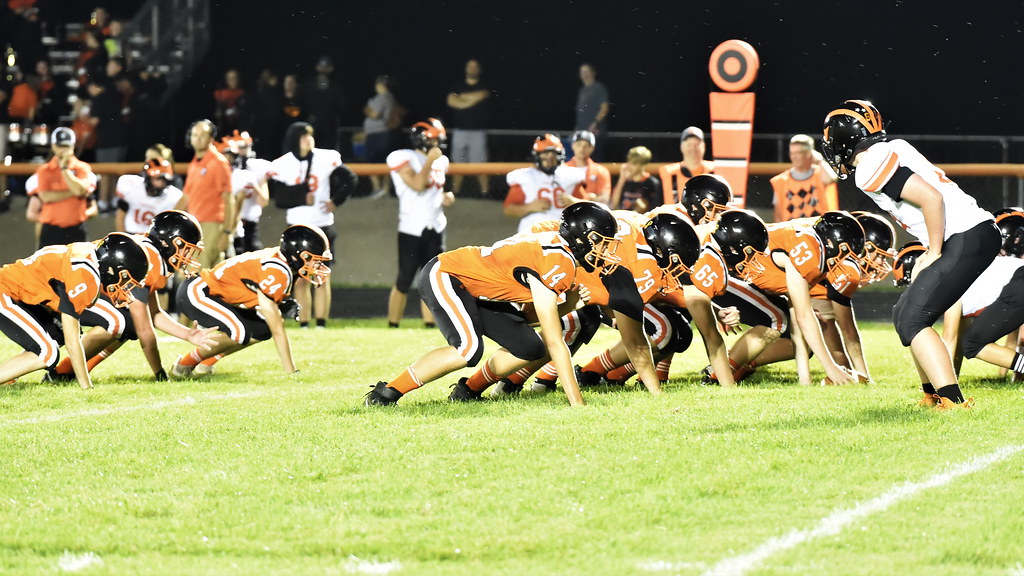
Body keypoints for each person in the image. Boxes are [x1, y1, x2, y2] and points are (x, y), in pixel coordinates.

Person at [822, 100, 1000, 409]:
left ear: (844, 138)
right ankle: (932, 394)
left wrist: (932, 251)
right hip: (971, 233)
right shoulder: (890, 148)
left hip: (967, 235)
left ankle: (952, 401)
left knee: (913, 318)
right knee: (904, 312)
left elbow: (931, 199)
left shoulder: (868, 167)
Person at [364, 202, 621, 407]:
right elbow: (555, 340)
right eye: (602, 242)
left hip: (479, 290)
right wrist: (576, 402)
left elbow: (533, 318)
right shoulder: (558, 262)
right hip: (449, 274)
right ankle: (386, 393)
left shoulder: (558, 254)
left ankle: (468, 390)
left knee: (529, 347)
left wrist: (569, 305)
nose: (607, 251)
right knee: (468, 350)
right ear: (581, 238)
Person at [44, 211, 215, 383]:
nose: (187, 256)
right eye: (185, 248)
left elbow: (154, 313)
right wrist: (160, 374)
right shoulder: (148, 259)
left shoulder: (153, 255)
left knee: (127, 321)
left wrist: (188, 334)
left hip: (76, 286)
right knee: (125, 321)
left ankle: (69, 371)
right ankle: (63, 372)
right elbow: (145, 331)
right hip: (62, 285)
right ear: (167, 242)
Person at [171, 224, 332, 377]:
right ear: (299, 255)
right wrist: (291, 372)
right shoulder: (278, 271)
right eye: (315, 260)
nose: (318, 265)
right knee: (241, 332)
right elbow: (278, 329)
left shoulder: (283, 262)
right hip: (198, 292)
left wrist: (280, 304)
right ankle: (184, 365)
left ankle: (206, 362)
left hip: (213, 294)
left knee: (261, 329)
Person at [0, 233, 147, 389]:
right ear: (112, 269)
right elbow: (73, 340)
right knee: (48, 353)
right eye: (124, 279)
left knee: (58, 332)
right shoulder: (86, 277)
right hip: (5, 292)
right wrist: (87, 387)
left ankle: (7, 374)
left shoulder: (91, 252)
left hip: (17, 292)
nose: (124, 287)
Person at [267, 122, 345, 329]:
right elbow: (280, 199)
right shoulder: (282, 164)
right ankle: (304, 322)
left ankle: (321, 323)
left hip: (322, 225)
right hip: (297, 227)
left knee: (322, 277)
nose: (308, 140)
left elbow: (349, 179)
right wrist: (302, 196)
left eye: (310, 136)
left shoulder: (326, 158)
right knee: (300, 279)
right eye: (303, 137)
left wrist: (335, 200)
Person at [386, 118, 454, 328]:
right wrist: (429, 161)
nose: (437, 145)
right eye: (434, 140)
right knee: (404, 280)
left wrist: (447, 197)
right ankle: (392, 324)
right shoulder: (403, 157)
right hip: (411, 227)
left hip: (436, 225)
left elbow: (437, 189)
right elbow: (417, 184)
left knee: (432, 279)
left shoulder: (441, 161)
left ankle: (430, 325)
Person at [175, 119, 234, 269]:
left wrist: (227, 232)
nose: (198, 138)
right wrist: (171, 217)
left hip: (211, 225)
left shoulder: (217, 163)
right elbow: (186, 196)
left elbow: (229, 200)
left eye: (202, 135)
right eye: (195, 134)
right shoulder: (195, 162)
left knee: (196, 273)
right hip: (196, 224)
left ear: (211, 138)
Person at [25, 127, 98, 248]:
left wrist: (65, 169)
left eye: (66, 146)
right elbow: (46, 196)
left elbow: (79, 190)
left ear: (73, 146)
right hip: (51, 230)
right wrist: (72, 192)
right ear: (53, 146)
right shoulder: (44, 170)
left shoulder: (82, 168)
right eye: (60, 146)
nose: (63, 150)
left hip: (76, 229)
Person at [503, 134, 586, 235]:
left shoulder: (569, 175)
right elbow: (508, 209)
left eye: (553, 154)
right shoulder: (526, 177)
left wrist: (573, 201)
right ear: (537, 155)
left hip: (563, 227)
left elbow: (586, 205)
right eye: (545, 154)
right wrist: (529, 207)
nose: (549, 158)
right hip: (534, 227)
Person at [217, 130, 271, 254]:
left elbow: (263, 201)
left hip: (248, 224)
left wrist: (255, 185)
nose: (241, 152)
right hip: (228, 224)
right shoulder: (223, 173)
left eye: (244, 147)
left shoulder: (252, 170)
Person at [446, 58, 491, 197]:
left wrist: (462, 99)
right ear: (465, 69)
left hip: (478, 132)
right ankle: (456, 192)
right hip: (459, 131)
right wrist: (469, 100)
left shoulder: (484, 85)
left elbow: (482, 95)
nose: (472, 69)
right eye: (469, 66)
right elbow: (451, 101)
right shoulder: (457, 85)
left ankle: (485, 194)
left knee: (480, 164)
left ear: (479, 69)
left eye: (475, 66)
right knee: (458, 163)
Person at [770, 134, 838, 222]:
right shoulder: (781, 181)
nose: (794, 157)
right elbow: (778, 213)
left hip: (819, 231)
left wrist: (820, 160)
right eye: (792, 153)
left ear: (809, 154)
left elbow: (831, 179)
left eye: (799, 153)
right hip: (792, 233)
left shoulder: (819, 174)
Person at [114, 158, 182, 234]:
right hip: (130, 233)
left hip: (153, 239)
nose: (161, 183)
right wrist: (122, 234)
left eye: (164, 180)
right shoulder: (131, 185)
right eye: (158, 179)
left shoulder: (174, 196)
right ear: (148, 177)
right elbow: (121, 212)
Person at [659, 126, 715, 206]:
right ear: (682, 147)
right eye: (689, 144)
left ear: (704, 146)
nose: (693, 148)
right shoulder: (668, 174)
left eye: (697, 144)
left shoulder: (715, 171)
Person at [363, 75, 397, 197]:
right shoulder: (387, 97)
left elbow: (374, 114)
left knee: (374, 162)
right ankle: (382, 190)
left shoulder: (383, 97)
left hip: (379, 134)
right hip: (381, 134)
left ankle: (380, 189)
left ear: (381, 85)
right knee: (382, 162)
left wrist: (367, 108)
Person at [305, 56, 346, 151]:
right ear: (317, 67)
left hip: (329, 125)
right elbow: (303, 103)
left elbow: (342, 105)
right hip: (313, 124)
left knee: (328, 151)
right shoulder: (309, 85)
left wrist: (334, 117)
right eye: (321, 66)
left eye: (326, 66)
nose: (323, 69)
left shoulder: (336, 86)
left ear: (331, 68)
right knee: (311, 150)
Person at [609, 145, 661, 212]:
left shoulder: (651, 183)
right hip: (623, 219)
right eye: (628, 162)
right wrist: (622, 179)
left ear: (643, 165)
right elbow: (613, 205)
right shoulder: (624, 181)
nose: (629, 166)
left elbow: (655, 208)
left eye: (634, 164)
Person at [565, 130, 611, 204]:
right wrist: (590, 198)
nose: (582, 149)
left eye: (586, 146)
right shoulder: (563, 169)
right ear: (573, 145)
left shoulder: (601, 171)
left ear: (592, 148)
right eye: (579, 144)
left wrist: (573, 200)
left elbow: (605, 199)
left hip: (592, 213)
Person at [574, 63, 609, 160]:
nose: (584, 74)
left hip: (595, 134)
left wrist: (595, 124)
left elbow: (604, 108)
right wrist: (576, 130)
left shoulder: (599, 88)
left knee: (595, 161)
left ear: (593, 73)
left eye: (586, 72)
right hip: (581, 135)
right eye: (581, 72)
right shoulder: (582, 91)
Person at [213, 68, 247, 135]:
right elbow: (216, 113)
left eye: (234, 78)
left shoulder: (244, 94)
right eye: (229, 78)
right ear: (226, 80)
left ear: (238, 79)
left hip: (240, 130)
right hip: (223, 130)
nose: (232, 80)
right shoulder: (219, 94)